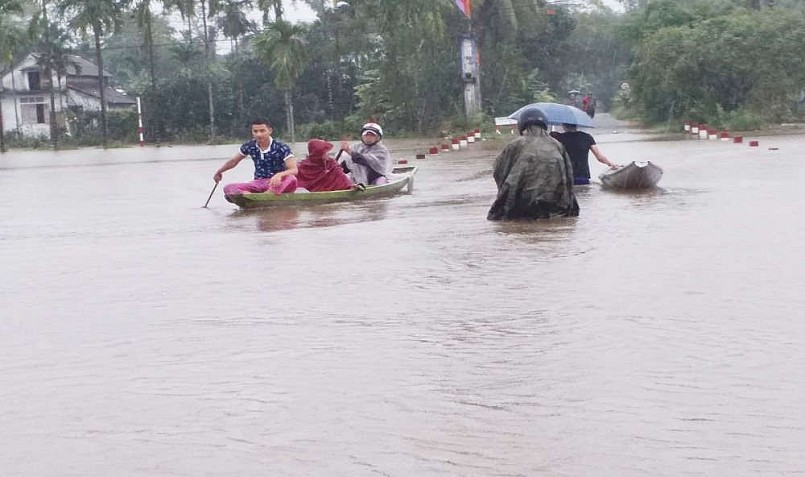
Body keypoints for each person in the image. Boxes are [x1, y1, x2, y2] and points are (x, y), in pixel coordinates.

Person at [488, 106, 579, 220]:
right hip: (555, 202)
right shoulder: (557, 145)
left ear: (522, 125)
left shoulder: (516, 144)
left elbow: (499, 170)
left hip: (523, 202)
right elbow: (569, 175)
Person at [213, 118, 298, 195]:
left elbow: (294, 170)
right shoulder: (250, 146)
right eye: (255, 131)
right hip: (259, 183)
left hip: (277, 183)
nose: (259, 134)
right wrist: (219, 172)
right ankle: (250, 196)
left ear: (270, 131)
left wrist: (279, 175)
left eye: (262, 131)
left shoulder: (281, 147)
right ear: (252, 132)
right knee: (228, 188)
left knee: (291, 179)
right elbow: (233, 161)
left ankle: (267, 194)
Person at [550, 123, 617, 185]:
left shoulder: (559, 138)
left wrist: (551, 135)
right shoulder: (587, 137)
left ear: (563, 126)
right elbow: (599, 157)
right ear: (576, 125)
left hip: (565, 176)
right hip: (583, 175)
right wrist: (611, 164)